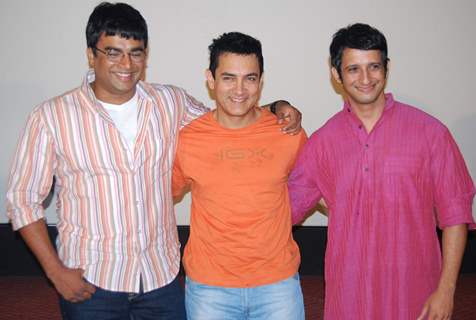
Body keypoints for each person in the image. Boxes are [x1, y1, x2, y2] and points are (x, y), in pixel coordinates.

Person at [5, 3, 302, 319]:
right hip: (91, 282)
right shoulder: (51, 116)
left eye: (136, 52)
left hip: (161, 281)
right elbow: (22, 201)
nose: (126, 63)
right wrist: (54, 271)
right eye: (113, 52)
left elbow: (227, 117)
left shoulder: (169, 102)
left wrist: (275, 107)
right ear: (92, 55)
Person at [288, 23, 475, 319]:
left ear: (386, 68)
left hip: (417, 297)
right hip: (349, 299)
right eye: (353, 69)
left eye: (374, 66)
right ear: (336, 75)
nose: (365, 78)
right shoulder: (323, 143)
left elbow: (455, 216)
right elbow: (285, 208)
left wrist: (446, 291)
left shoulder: (431, 133)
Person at [172, 32, 307, 320]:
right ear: (210, 79)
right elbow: (157, 195)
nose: (240, 89)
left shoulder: (287, 133)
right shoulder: (189, 139)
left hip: (278, 284)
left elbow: (316, 188)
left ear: (261, 80)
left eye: (250, 78)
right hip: (210, 288)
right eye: (228, 77)